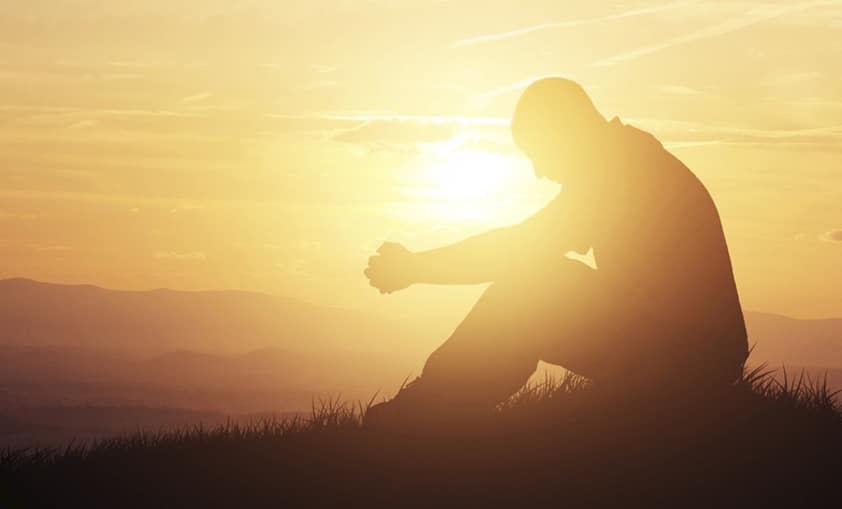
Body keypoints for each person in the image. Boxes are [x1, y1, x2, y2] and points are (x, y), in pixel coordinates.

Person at [363, 77, 748, 428]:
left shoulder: (623, 172)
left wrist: (415, 267)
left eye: (538, 152)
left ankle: (426, 415)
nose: (539, 172)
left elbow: (518, 247)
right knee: (537, 280)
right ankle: (437, 408)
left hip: (692, 361)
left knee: (532, 286)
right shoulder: (627, 159)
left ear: (565, 133)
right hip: (694, 354)